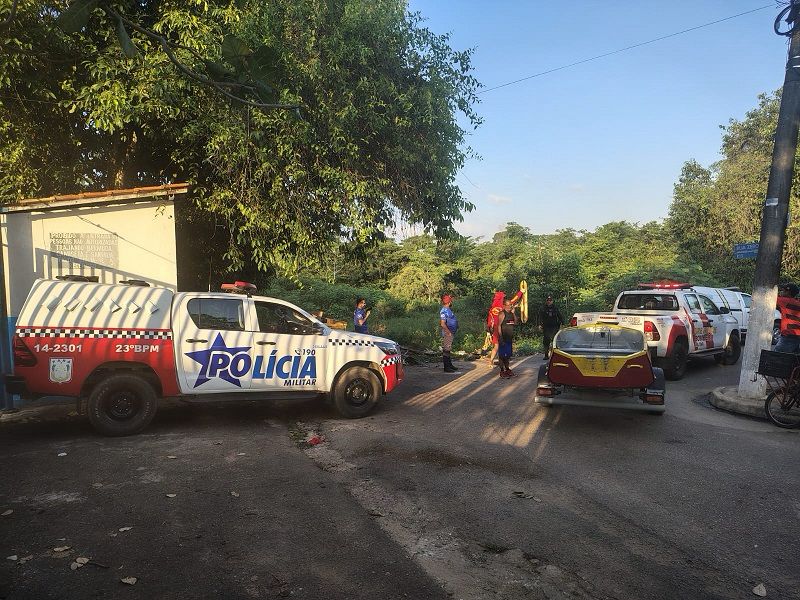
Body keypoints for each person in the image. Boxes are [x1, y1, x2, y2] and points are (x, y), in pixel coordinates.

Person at [487, 289, 524, 366]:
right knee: (504, 348)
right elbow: (514, 299)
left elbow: (489, 321)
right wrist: (521, 292)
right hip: (503, 330)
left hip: (495, 330)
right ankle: (504, 367)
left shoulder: (492, 309)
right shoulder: (503, 306)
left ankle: (491, 361)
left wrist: (488, 332)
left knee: (496, 347)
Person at [495, 297, 518, 378]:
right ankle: (502, 371)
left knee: (507, 356)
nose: (509, 307)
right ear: (504, 305)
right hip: (503, 337)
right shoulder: (502, 313)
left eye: (511, 305)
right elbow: (499, 326)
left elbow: (515, 323)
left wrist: (514, 313)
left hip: (509, 338)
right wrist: (500, 337)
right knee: (502, 356)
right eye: (508, 305)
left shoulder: (511, 314)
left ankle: (507, 369)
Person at [775, 283, 800, 353]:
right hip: (797, 335)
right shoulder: (797, 302)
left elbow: (770, 298)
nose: (780, 292)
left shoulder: (784, 301)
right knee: (794, 360)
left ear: (788, 292)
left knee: (776, 358)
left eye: (782, 290)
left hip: (789, 335)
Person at [539, 294, 563, 359]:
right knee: (546, 341)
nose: (549, 301)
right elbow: (540, 317)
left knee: (555, 341)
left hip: (555, 327)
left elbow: (560, 316)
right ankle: (546, 355)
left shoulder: (555, 308)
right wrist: (540, 325)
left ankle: (555, 355)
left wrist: (562, 324)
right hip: (546, 327)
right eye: (548, 300)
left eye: (550, 300)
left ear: (552, 301)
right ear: (546, 301)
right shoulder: (543, 308)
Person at [440, 294, 459, 373]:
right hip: (448, 333)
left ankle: (450, 365)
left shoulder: (448, 309)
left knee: (448, 349)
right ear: (449, 302)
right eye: (451, 300)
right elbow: (442, 324)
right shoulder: (444, 311)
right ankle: (446, 367)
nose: (452, 302)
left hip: (451, 332)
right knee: (446, 350)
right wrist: (448, 332)